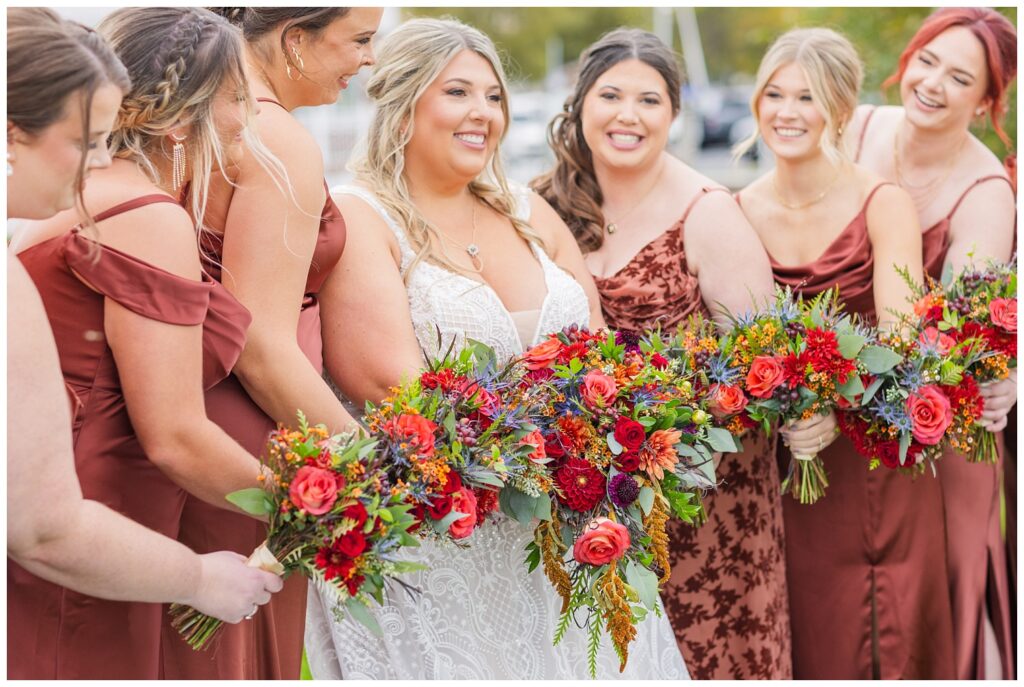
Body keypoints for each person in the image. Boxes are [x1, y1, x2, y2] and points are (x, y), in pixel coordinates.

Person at [304, 18, 688, 679]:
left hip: (567, 533)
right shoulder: (362, 216)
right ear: (403, 103)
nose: (483, 112)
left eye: (493, 96)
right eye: (458, 92)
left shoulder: (527, 210)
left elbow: (598, 353)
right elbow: (392, 387)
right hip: (444, 543)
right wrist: (553, 436)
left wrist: (608, 434)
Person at [532, 27, 836, 679]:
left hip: (707, 501)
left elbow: (765, 360)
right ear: (581, 102)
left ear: (674, 113)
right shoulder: (543, 204)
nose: (627, 115)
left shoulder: (707, 211)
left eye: (650, 100)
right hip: (588, 493)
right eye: (611, 95)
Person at [5, 11, 282, 679]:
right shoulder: (144, 215)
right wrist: (319, 502)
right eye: (239, 96)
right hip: (89, 527)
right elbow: (175, 433)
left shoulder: (56, 212)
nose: (252, 116)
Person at [160, 7, 383, 679]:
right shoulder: (275, 137)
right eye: (361, 40)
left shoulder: (193, 114)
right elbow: (259, 341)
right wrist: (367, 461)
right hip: (251, 425)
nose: (369, 60)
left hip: (189, 412)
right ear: (293, 40)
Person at [733, 28, 951, 679]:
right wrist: (784, 405)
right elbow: (734, 337)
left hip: (873, 449)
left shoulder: (881, 202)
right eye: (774, 93)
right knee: (805, 611)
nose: (787, 111)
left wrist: (838, 405)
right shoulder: (738, 208)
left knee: (884, 620)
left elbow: (902, 338)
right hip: (787, 451)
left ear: (840, 108)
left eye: (807, 96)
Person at [847, 7, 1017, 679]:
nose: (933, 83)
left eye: (960, 77)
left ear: (984, 102)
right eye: (927, 60)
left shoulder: (985, 191)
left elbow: (960, 339)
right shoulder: (856, 125)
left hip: (935, 421)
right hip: (834, 403)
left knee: (934, 596)